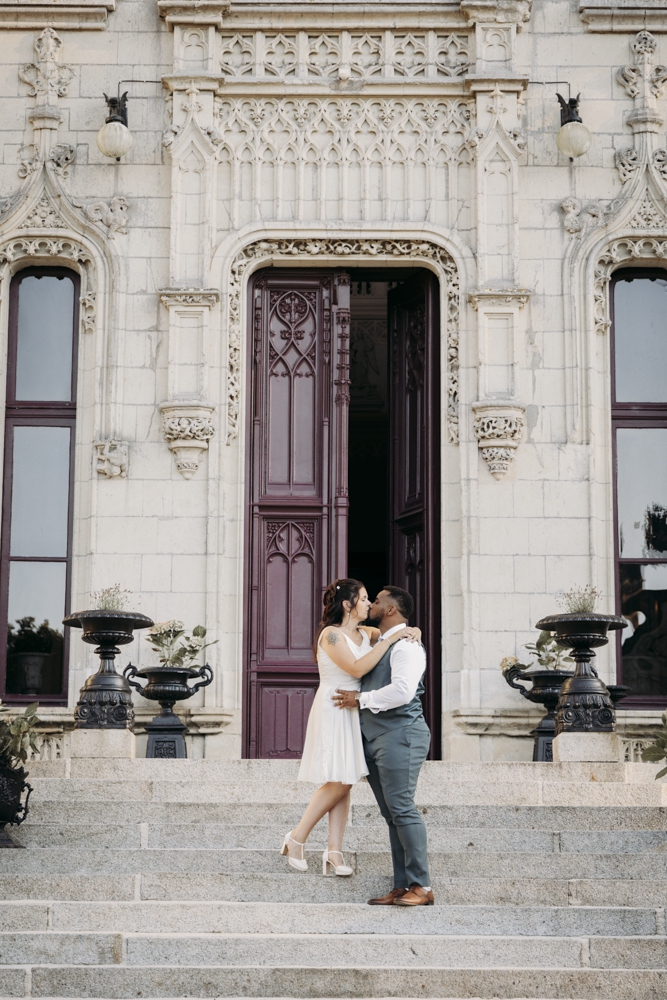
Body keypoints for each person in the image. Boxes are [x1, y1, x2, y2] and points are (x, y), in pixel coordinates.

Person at [280, 578, 421, 876]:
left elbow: (396, 630)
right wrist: (390, 641)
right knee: (341, 779)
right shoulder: (331, 635)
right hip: (335, 707)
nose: (369, 603)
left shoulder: (366, 633)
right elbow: (357, 668)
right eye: (365, 598)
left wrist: (413, 631)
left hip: (354, 708)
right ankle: (297, 837)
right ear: (347, 604)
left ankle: (334, 851)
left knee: (344, 778)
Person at [333, 585, 433, 906]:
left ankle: (422, 886)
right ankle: (402, 885)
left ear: (391, 610)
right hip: (376, 738)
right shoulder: (380, 640)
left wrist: (360, 698)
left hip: (401, 734)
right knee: (392, 815)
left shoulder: (407, 647)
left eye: (376, 601)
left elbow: (403, 691)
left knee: (402, 808)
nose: (372, 604)